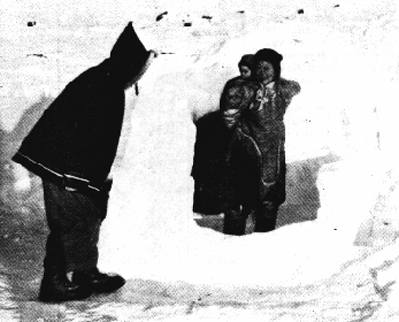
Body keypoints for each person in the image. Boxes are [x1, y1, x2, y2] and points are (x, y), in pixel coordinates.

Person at [12, 22, 157, 302]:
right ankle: (53, 282)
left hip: (77, 166)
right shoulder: (100, 84)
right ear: (130, 62)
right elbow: (72, 135)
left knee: (90, 215)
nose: (140, 74)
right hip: (63, 165)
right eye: (140, 67)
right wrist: (77, 179)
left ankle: (84, 271)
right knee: (70, 220)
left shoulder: (109, 79)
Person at [222, 48, 301, 235]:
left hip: (272, 149)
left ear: (276, 70)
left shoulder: (281, 89)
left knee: (269, 199)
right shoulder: (247, 88)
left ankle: (265, 239)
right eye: (258, 68)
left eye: (267, 68)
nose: (262, 72)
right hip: (247, 148)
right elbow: (229, 114)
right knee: (238, 198)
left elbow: (296, 87)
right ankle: (230, 242)